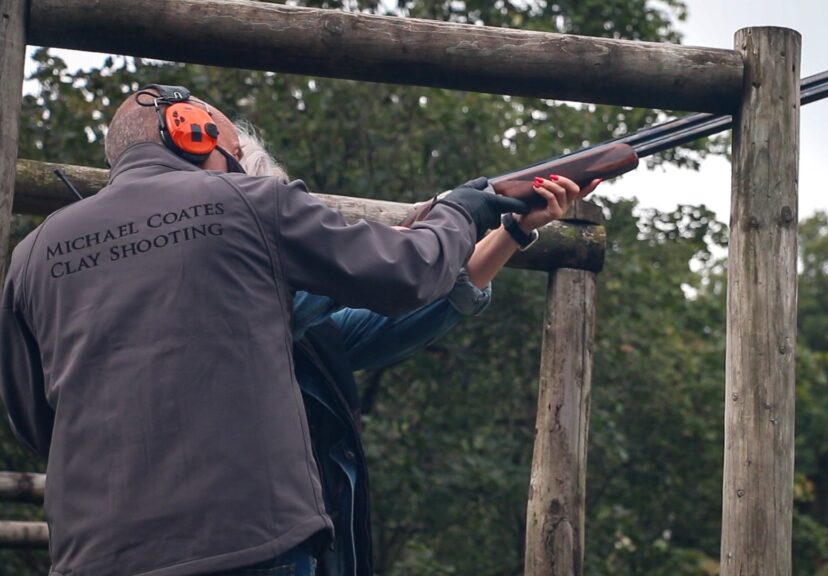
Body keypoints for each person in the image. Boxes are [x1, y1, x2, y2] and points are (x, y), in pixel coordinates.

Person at [0, 84, 531, 576]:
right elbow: (408, 271)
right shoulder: (248, 202)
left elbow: (34, 425)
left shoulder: (30, 257)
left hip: (93, 558)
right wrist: (461, 211)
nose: (236, 168)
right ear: (191, 130)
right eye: (231, 153)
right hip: (250, 541)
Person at [235, 125, 600, 575]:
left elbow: (440, 296)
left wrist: (514, 226)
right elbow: (385, 275)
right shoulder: (237, 315)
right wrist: (437, 227)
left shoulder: (313, 339)